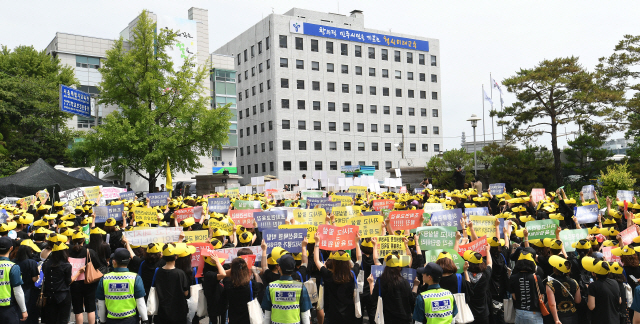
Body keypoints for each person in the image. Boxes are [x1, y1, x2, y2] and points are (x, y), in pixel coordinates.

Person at [96, 248, 148, 324]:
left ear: (114, 262)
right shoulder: (135, 278)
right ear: (129, 260)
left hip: (111, 320)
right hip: (131, 320)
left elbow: (101, 304)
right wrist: (145, 320)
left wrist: (102, 321)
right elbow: (140, 302)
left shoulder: (104, 278)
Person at [261, 253, 313, 324]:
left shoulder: (270, 287)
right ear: (293, 268)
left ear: (279, 268)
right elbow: (305, 315)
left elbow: (267, 316)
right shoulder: (301, 287)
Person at [368, 253, 414, 324]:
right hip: (404, 319)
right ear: (399, 267)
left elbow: (373, 299)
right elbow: (412, 301)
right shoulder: (404, 282)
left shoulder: (380, 281)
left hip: (386, 319)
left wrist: (371, 284)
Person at [154, 243, 190, 324]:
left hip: (163, 312)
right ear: (176, 256)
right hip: (179, 312)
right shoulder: (180, 273)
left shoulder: (158, 271)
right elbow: (186, 293)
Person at [221, 257, 263, 324]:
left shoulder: (228, 284)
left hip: (233, 318)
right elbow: (261, 284)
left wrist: (233, 270)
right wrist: (256, 273)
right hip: (249, 318)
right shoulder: (251, 284)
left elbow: (224, 274)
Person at [583, 256, 621, 324]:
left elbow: (591, 306)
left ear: (594, 273)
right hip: (615, 320)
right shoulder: (615, 282)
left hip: (600, 320)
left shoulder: (593, 286)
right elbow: (619, 301)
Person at [42, 241, 72, 324]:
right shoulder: (67, 265)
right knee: (63, 319)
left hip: (49, 296)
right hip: (63, 295)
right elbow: (68, 281)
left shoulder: (46, 264)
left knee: (51, 319)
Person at [0, 236, 28, 324]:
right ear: (11, 248)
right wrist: (24, 310)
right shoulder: (13, 267)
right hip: (8, 309)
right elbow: (18, 291)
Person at [11, 240, 39, 324]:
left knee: (18, 312)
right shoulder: (32, 262)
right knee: (29, 312)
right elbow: (35, 279)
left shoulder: (13, 262)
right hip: (29, 291)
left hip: (15, 290)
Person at [463, 245, 493, 324]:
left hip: (469, 314)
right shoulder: (486, 274)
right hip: (483, 314)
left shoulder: (464, 275)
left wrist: (465, 270)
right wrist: (487, 250)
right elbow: (490, 263)